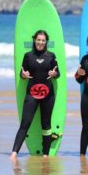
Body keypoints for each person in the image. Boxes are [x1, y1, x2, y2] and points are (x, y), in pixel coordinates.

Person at [11, 30, 60, 160]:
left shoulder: (51, 56)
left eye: (43, 40)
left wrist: (55, 74)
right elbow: (22, 74)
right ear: (34, 40)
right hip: (32, 94)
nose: (40, 42)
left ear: (46, 42)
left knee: (46, 125)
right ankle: (14, 154)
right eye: (38, 40)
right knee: (25, 123)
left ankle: (45, 155)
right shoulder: (28, 56)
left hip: (48, 95)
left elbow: (58, 74)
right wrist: (23, 75)